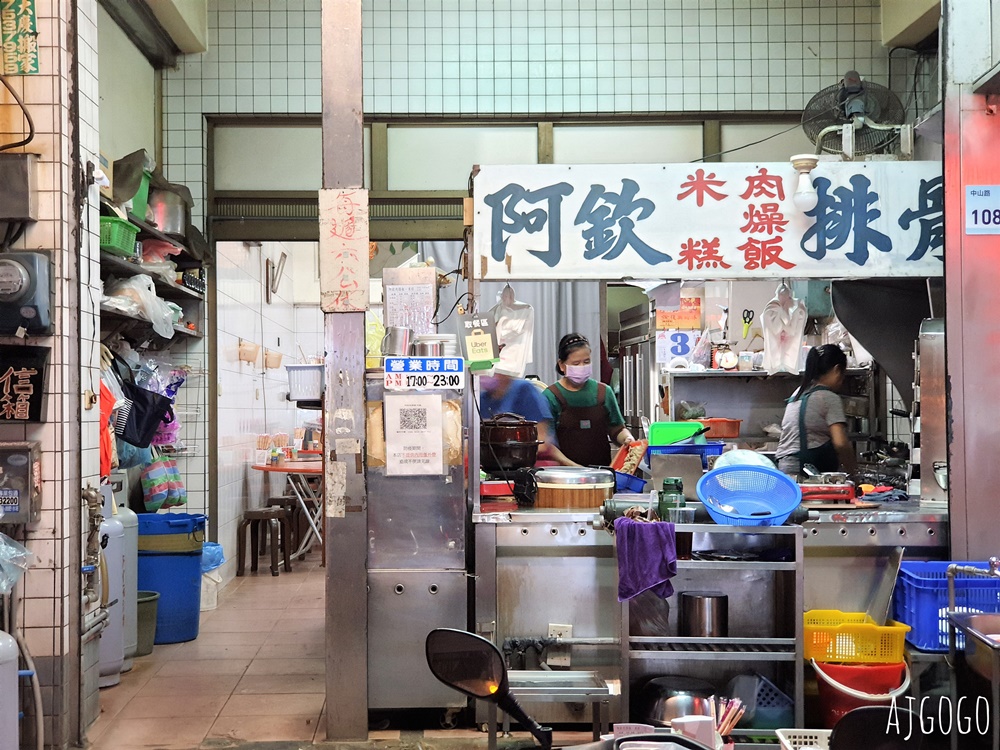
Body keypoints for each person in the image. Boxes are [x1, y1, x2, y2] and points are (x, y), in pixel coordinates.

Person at [543, 333, 635, 467]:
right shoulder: (551, 396)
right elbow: (548, 445)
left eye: (586, 362)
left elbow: (617, 429)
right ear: (562, 365)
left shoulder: (603, 392)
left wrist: (627, 438)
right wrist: (575, 468)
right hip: (563, 476)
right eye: (576, 363)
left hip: (601, 474)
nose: (582, 366)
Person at [775, 344, 858, 477]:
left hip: (785, 468)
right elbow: (840, 443)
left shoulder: (798, 393)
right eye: (843, 374)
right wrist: (853, 472)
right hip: (806, 470)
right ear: (837, 370)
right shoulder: (829, 397)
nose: (842, 380)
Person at [479, 372, 571, 466]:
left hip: (534, 462)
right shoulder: (482, 399)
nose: (484, 376)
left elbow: (542, 441)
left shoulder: (523, 390)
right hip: (498, 464)